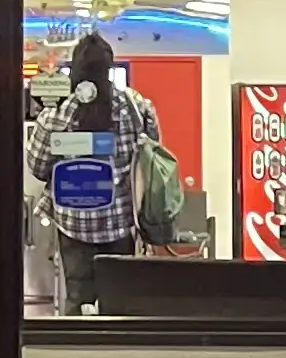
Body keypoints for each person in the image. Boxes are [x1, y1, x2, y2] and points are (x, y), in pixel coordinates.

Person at [34, 33, 192, 312]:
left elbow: (37, 167)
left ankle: (74, 350)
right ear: (109, 68)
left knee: (76, 297)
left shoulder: (55, 114)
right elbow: (151, 155)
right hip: (120, 225)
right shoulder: (136, 107)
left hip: (73, 226)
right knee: (118, 303)